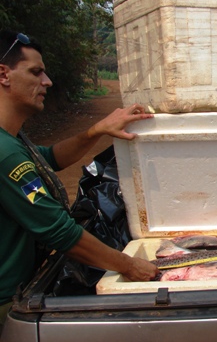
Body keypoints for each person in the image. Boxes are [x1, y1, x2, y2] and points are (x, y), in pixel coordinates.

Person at [0, 29, 159, 328]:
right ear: (4, 74)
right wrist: (130, 265)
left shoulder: (12, 141)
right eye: (36, 72)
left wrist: (97, 130)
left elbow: (47, 160)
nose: (47, 82)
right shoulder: (5, 153)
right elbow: (58, 231)